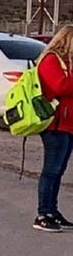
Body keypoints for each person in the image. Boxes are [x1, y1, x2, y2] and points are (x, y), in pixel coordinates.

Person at [35, 22, 73, 232]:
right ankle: (43, 212)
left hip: (68, 124)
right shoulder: (51, 61)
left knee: (59, 170)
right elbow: (59, 86)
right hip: (54, 124)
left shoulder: (66, 64)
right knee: (51, 170)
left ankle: (52, 210)